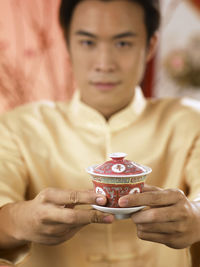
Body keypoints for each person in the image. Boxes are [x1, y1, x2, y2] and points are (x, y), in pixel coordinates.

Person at [0, 0, 200, 266]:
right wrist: (18, 221)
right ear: (68, 45)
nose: (104, 64)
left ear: (150, 46)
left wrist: (195, 217)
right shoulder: (17, 126)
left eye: (123, 43)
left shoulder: (190, 120)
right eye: (88, 43)